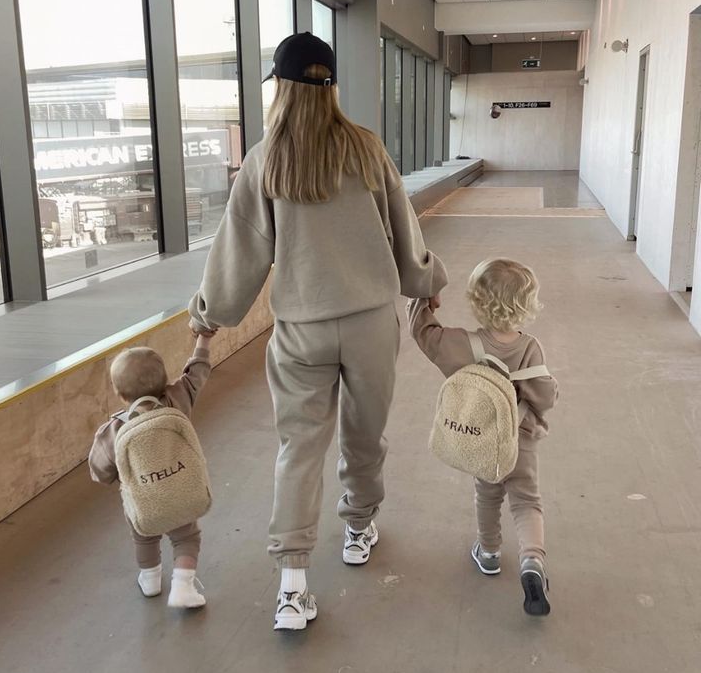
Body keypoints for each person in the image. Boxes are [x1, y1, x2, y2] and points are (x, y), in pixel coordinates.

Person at [189, 32, 447, 631]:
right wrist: (425, 280)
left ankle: (293, 584)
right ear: (332, 85)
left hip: (300, 331)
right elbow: (403, 230)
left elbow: (239, 256)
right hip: (370, 323)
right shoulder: (365, 149)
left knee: (298, 448)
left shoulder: (266, 160)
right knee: (365, 432)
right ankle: (358, 527)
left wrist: (209, 314)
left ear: (279, 86)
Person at [407, 258, 558, 616]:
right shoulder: (530, 348)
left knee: (487, 493)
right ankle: (532, 561)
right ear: (528, 305)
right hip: (520, 439)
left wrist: (421, 299)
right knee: (526, 500)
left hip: (483, 440)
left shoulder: (461, 344)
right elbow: (546, 397)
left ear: (477, 301)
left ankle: (489, 552)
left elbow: (424, 335)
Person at [88, 332, 214, 609]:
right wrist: (203, 340)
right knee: (187, 536)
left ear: (119, 393)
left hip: (145, 503)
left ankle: (151, 578)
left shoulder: (113, 429)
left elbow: (99, 471)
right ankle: (183, 585)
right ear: (165, 382)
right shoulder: (177, 400)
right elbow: (198, 374)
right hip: (182, 493)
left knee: (143, 535)